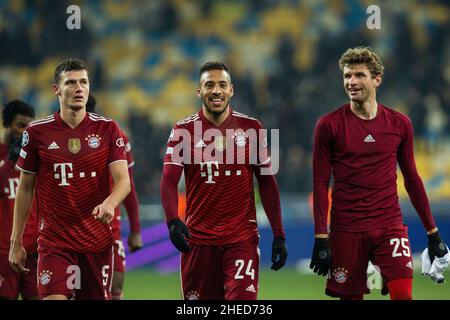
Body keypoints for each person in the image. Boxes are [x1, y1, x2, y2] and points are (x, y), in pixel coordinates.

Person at [309, 46, 448, 300]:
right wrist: (320, 236)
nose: (351, 82)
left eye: (359, 75)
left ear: (377, 79)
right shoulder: (328, 125)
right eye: (347, 76)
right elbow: (320, 182)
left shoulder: (400, 123)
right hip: (346, 228)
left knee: (403, 295)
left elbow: (413, 179)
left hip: (389, 224)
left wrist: (433, 232)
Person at [160, 61, 288, 300]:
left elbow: (268, 183)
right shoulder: (183, 131)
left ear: (231, 90)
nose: (216, 90)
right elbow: (168, 180)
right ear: (199, 91)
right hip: (197, 242)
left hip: (241, 240)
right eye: (209, 85)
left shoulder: (252, 129)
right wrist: (172, 222)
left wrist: (279, 234)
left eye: (222, 84)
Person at [9, 58, 131, 300]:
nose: (79, 88)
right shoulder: (36, 133)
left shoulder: (108, 129)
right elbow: (25, 188)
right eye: (71, 83)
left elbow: (123, 181)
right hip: (55, 243)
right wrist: (16, 241)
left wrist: (110, 203)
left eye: (84, 82)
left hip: (97, 242)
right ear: (57, 89)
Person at [85, 94, 143, 300]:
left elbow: (128, 185)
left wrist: (135, 229)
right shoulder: (56, 139)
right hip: (71, 229)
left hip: (108, 227)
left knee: (115, 286)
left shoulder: (114, 136)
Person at [0, 100, 37, 300]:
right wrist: (9, 162)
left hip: (33, 250)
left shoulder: (35, 156)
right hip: (3, 252)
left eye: (29, 127)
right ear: (7, 123)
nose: (25, 133)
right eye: (20, 126)